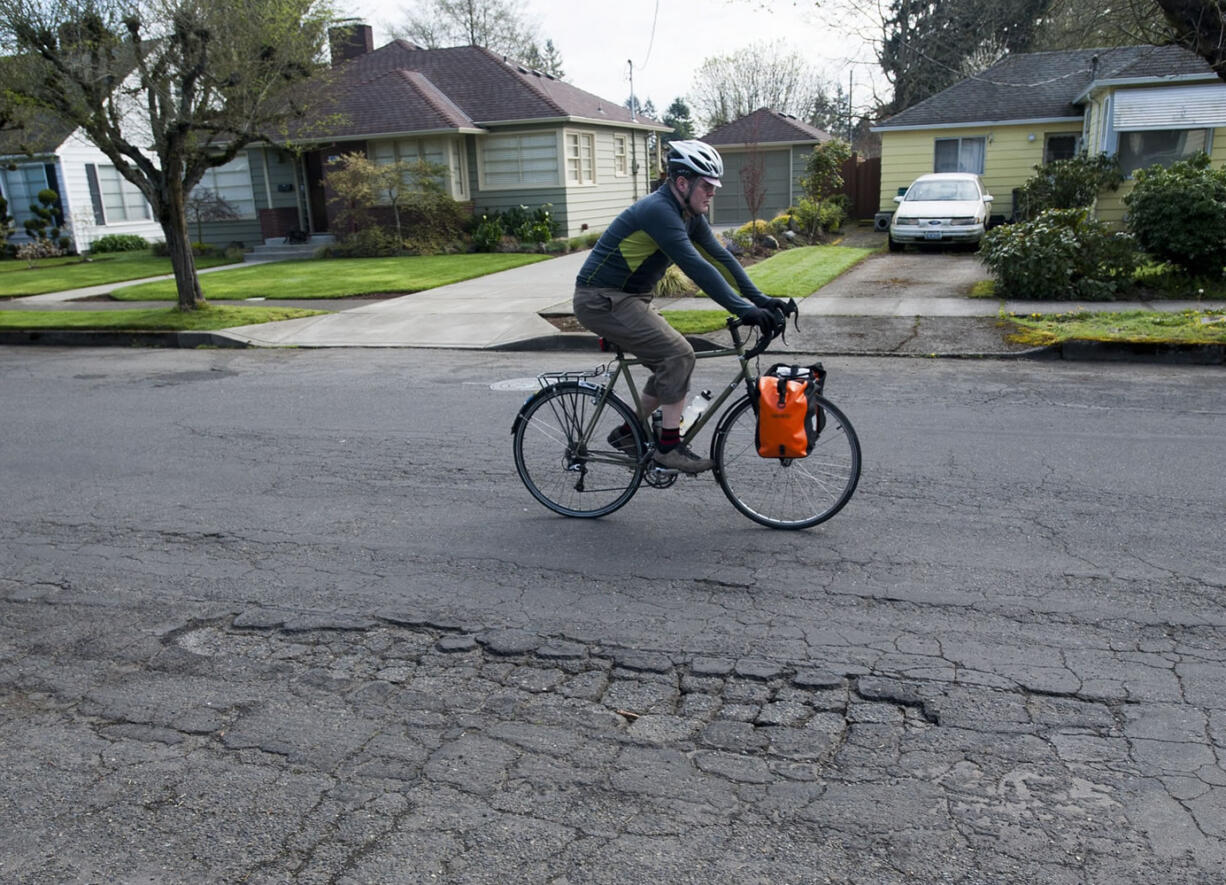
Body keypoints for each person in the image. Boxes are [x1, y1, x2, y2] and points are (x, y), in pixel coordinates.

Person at [573, 139, 789, 474]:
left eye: (714, 186)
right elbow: (697, 268)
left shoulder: (688, 213)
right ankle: (667, 449)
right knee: (678, 354)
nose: (712, 193)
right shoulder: (659, 211)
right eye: (706, 185)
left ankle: (630, 433)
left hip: (629, 298)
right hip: (601, 298)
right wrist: (743, 310)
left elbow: (720, 257)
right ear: (682, 182)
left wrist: (759, 299)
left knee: (672, 362)